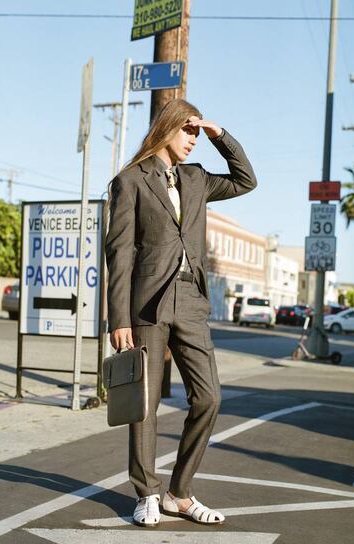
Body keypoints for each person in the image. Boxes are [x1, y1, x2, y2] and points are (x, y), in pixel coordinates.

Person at [105, 98, 257, 527]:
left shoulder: (196, 179)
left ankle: (179, 492)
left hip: (190, 300)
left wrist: (218, 134)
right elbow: (118, 255)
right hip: (147, 303)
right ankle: (147, 493)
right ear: (167, 127)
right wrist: (118, 318)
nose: (191, 140)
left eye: (195, 132)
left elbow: (247, 180)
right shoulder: (130, 181)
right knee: (145, 404)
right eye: (186, 130)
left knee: (209, 397)